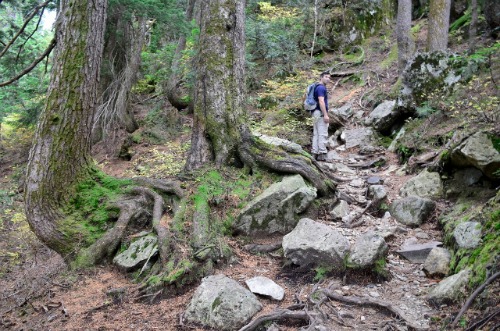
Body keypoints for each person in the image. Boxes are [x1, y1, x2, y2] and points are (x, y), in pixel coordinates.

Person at [311, 71, 330, 161]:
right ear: (321, 77)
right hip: (320, 112)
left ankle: (314, 153)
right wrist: (325, 114)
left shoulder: (316, 87)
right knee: (322, 133)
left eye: (329, 77)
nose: (328, 79)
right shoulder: (321, 88)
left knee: (316, 133)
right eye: (326, 77)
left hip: (315, 112)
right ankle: (322, 154)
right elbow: (321, 101)